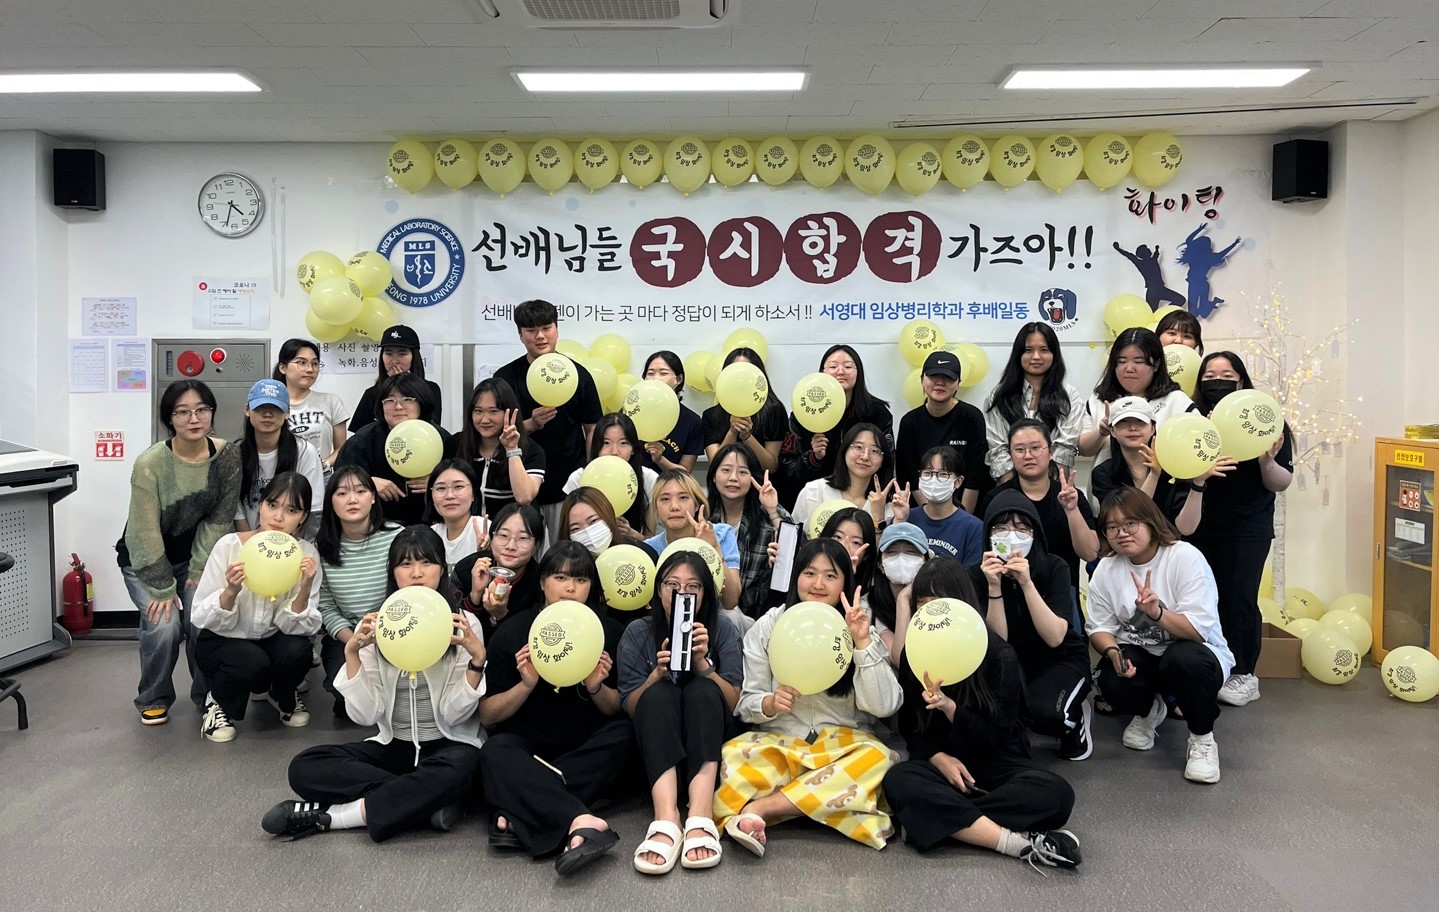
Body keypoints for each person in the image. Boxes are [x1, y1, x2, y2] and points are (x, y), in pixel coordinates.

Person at [261, 526, 487, 841]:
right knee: (304, 765)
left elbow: (453, 715)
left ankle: (336, 816)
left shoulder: (463, 623)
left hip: (449, 747)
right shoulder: (377, 624)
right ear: (393, 572)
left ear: (442, 569)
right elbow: (366, 715)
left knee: (469, 765)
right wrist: (352, 655)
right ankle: (425, 800)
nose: (417, 573)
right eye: (406, 564)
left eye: (427, 562)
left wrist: (477, 661)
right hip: (394, 748)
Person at [883, 556, 1081, 869]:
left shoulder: (999, 654)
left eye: (940, 604)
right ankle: (1014, 842)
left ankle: (937, 820)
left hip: (997, 763)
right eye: (923, 605)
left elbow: (998, 736)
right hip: (943, 767)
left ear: (962, 603)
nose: (932, 616)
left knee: (1057, 795)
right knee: (898, 780)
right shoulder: (914, 653)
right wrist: (938, 758)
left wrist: (950, 708)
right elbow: (911, 729)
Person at [715, 538, 902, 857]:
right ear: (795, 576)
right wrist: (769, 704)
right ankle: (826, 802)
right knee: (731, 756)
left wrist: (862, 645)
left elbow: (885, 705)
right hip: (783, 745)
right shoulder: (770, 625)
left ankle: (765, 808)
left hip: (844, 747)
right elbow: (746, 703)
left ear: (845, 583)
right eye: (809, 573)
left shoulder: (858, 625)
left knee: (881, 760)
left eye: (830, 576)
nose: (818, 584)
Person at [478, 541, 634, 876]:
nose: (570, 588)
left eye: (580, 579)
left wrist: (595, 687)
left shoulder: (609, 631)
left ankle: (520, 806)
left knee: (626, 734)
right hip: (527, 747)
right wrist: (525, 685)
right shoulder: (514, 631)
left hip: (585, 746)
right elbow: (488, 715)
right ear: (542, 582)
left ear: (591, 586)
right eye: (560, 578)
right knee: (494, 751)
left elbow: (616, 709)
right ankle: (580, 820)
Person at [1087, 489, 1234, 784]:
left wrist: (1157, 614)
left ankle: (1202, 739)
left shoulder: (1185, 557)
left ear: (1150, 521)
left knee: (1184, 660)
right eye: (1112, 527)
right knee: (1110, 678)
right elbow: (1099, 628)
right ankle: (1150, 710)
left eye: (1130, 523)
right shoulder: (1107, 568)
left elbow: (1196, 631)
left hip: (1195, 653)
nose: (1121, 533)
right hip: (1144, 656)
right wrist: (1114, 654)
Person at [118, 379, 241, 726]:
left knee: (201, 620)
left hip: (195, 558)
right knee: (165, 626)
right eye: (183, 412)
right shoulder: (151, 462)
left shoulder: (227, 456)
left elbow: (219, 520)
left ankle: (208, 696)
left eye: (202, 409)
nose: (194, 418)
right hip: (145, 560)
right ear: (169, 418)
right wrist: (162, 585)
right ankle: (153, 696)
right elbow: (143, 530)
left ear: (212, 412)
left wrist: (199, 571)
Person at [619, 551, 743, 873]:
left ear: (705, 593)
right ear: (659, 589)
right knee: (659, 694)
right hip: (659, 752)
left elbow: (733, 703)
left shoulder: (723, 629)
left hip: (710, 743)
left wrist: (704, 667)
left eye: (692, 586)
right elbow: (631, 707)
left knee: (703, 690)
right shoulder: (637, 632)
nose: (681, 593)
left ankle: (700, 814)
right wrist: (655, 676)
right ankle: (667, 816)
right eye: (672, 585)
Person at [1188, 351, 1294, 708]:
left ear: (1242, 381)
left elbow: (1280, 482)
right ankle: (1210, 667)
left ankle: (1245, 674)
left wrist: (1266, 460)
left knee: (1239, 599)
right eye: (1209, 376)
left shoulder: (1266, 420)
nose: (1217, 382)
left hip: (1247, 526)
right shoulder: (1192, 419)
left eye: (1226, 376)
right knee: (1202, 600)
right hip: (1198, 524)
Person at [192, 472, 321, 743]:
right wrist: (230, 591)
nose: (278, 517)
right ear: (260, 506)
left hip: (272, 638)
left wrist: (305, 588)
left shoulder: (306, 554)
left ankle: (280, 693)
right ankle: (216, 702)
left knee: (298, 651)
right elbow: (200, 616)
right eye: (272, 505)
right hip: (223, 640)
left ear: (303, 517)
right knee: (251, 662)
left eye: (292, 510)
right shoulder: (229, 546)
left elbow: (299, 626)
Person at [973, 491, 1093, 761]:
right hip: (1010, 660)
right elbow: (996, 643)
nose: (1011, 536)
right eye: (1001, 528)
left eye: (1021, 528)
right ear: (988, 534)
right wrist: (994, 587)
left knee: (1047, 714)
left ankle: (1075, 719)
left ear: (1034, 533)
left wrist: (1026, 583)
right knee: (1000, 711)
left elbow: (1055, 637)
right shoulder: (976, 574)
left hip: (1059, 658)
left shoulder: (1055, 567)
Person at [492, 299, 602, 536]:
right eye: (531, 330)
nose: (540, 336)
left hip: (567, 485)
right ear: (520, 335)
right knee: (521, 549)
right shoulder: (505, 378)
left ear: (557, 329)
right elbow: (492, 431)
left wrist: (589, 473)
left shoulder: (578, 375)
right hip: (519, 485)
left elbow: (593, 428)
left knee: (567, 551)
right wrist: (530, 425)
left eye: (546, 328)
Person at [315, 466, 403, 718]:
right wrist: (357, 640)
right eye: (342, 493)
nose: (352, 500)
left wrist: (384, 636)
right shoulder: (321, 548)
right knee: (346, 695)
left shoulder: (397, 538)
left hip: (397, 631)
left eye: (361, 491)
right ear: (331, 502)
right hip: (350, 635)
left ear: (373, 497)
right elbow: (326, 608)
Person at [979, 420, 1098, 599]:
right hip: (1009, 595)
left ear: (1051, 452)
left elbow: (1089, 553)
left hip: (1060, 594)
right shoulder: (996, 499)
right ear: (1010, 455)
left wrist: (1072, 510)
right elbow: (985, 552)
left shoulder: (1071, 496)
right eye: (1019, 450)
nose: (1028, 456)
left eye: (1035, 448)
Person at [1090, 396, 1234, 535]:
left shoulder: (1176, 466)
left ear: (1153, 428)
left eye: (1140, 421)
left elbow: (1186, 529)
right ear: (1112, 431)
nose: (1132, 427)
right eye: (1123, 422)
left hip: (1172, 546)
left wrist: (1198, 482)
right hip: (1125, 547)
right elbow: (1129, 520)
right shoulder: (1103, 473)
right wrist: (1154, 475)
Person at [334, 373, 452, 527]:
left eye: (407, 399)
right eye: (390, 400)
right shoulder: (363, 440)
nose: (398, 407)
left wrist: (439, 482)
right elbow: (339, 478)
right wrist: (367, 483)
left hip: (433, 525)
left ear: (421, 402)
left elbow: (462, 477)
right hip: (377, 525)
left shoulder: (440, 438)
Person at [1077, 327, 1195, 468]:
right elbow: (1084, 450)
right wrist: (1102, 432)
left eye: (1138, 361)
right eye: (1122, 361)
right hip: (1105, 482)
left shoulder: (1177, 401)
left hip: (1163, 480)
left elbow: (1192, 450)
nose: (1129, 368)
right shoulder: (1100, 399)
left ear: (1156, 364)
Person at [783, 344, 894, 492]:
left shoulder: (878, 413)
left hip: (863, 495)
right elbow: (788, 467)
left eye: (848, 367)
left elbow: (887, 462)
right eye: (833, 367)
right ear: (822, 372)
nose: (840, 372)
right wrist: (813, 457)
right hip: (816, 494)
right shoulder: (803, 412)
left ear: (858, 372)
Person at [982, 323, 1085, 482]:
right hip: (1009, 485)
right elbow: (998, 451)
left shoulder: (1069, 395)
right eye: (1028, 350)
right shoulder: (999, 396)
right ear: (1018, 354)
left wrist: (1049, 490)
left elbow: (1064, 449)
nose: (1036, 357)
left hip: (1055, 484)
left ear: (1054, 354)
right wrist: (1014, 490)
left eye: (1044, 350)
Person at [897, 350, 990, 511]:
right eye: (933, 376)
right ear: (922, 379)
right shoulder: (909, 422)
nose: (940, 382)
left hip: (964, 508)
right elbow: (909, 476)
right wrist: (930, 514)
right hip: (922, 509)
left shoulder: (972, 417)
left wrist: (962, 517)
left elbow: (976, 475)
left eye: (948, 377)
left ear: (958, 383)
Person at [645, 471, 744, 622]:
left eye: (683, 497)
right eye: (665, 499)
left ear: (697, 505)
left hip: (715, 618)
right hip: (667, 621)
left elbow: (731, 602)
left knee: (731, 617)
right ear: (656, 509)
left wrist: (713, 548)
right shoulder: (649, 549)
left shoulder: (721, 533)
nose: (674, 507)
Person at [706, 443, 791, 620]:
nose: (733, 478)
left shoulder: (767, 514)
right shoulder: (704, 517)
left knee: (730, 616)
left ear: (753, 478)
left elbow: (794, 553)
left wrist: (772, 510)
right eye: (726, 470)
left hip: (757, 616)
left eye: (743, 472)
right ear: (713, 476)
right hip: (708, 613)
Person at [234, 379, 324, 537]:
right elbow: (238, 512)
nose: (267, 414)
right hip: (250, 540)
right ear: (247, 410)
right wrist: (253, 543)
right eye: (260, 407)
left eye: (276, 408)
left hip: (293, 541)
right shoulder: (236, 454)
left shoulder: (304, 452)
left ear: (287, 412)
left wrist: (286, 546)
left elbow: (312, 508)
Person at [452, 377, 545, 518]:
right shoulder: (456, 444)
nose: (484, 419)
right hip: (469, 528)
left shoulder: (531, 451)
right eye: (478, 411)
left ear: (510, 412)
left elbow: (524, 497)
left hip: (512, 529)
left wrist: (512, 450)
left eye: (493, 411)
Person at [452, 502, 545, 643]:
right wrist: (475, 597)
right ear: (491, 538)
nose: (511, 546)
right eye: (503, 535)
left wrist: (501, 616)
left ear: (536, 546)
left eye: (523, 538)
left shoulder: (540, 583)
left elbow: (531, 640)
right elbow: (452, 628)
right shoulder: (466, 569)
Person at [564, 412, 657, 540]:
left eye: (623, 443)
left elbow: (651, 539)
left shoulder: (648, 478)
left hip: (633, 548)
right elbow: (568, 536)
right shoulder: (579, 478)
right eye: (606, 443)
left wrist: (632, 534)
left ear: (633, 449)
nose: (614, 452)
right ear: (596, 447)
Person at [792, 423, 894, 533]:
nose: (865, 457)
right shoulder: (815, 491)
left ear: (883, 461)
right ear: (844, 450)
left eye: (875, 451)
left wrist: (879, 520)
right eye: (858, 447)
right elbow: (792, 537)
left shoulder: (887, 506)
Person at [893, 446, 983, 564]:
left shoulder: (974, 527)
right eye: (927, 473)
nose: (934, 480)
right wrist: (899, 522)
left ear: (958, 481)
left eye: (943, 474)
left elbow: (971, 573)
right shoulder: (907, 517)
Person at [702, 347, 785, 475]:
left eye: (746, 371)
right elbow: (715, 466)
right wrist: (732, 433)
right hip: (726, 485)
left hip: (761, 484)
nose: (740, 377)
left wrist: (747, 436)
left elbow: (771, 466)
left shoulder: (774, 410)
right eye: (734, 371)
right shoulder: (711, 415)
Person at [273, 338, 349, 477]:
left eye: (314, 363)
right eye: (302, 363)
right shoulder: (273, 405)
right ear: (282, 368)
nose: (310, 369)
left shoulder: (331, 401)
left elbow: (341, 448)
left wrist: (324, 464)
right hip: (283, 479)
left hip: (322, 477)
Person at [348, 325, 442, 435]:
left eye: (402, 354)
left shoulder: (430, 389)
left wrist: (404, 383)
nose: (394, 360)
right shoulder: (372, 393)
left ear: (414, 356)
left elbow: (432, 427)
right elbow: (360, 434)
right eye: (388, 354)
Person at [870, 522, 932, 662]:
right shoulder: (867, 604)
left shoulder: (937, 598)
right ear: (880, 565)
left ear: (925, 561)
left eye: (911, 552)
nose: (901, 558)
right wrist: (903, 598)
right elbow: (900, 660)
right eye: (892, 552)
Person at [639, 350, 704, 473]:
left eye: (663, 373)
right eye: (650, 373)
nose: (655, 379)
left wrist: (660, 459)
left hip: (670, 483)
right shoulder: (631, 412)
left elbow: (685, 472)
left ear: (678, 379)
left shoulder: (692, 421)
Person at [426, 459, 487, 572]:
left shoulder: (485, 531)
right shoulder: (430, 536)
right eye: (441, 488)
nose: (449, 495)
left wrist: (489, 552)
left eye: (458, 487)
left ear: (473, 493)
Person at [558, 486, 654, 555]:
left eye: (593, 521)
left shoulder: (642, 554)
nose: (588, 532)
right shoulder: (562, 570)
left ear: (608, 516)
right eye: (575, 529)